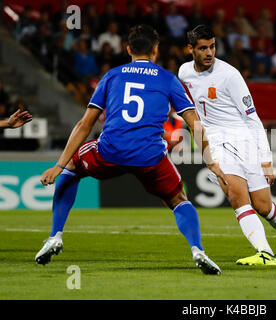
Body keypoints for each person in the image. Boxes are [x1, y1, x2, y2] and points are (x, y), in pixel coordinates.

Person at [36, 25, 226, 275]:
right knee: (179, 199)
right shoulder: (168, 78)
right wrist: (211, 162)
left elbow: (85, 124)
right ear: (156, 50)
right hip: (150, 157)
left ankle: (55, 236)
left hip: (110, 151)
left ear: (128, 49)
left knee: (73, 167)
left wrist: (59, 166)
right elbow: (195, 124)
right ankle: (198, 250)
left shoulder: (112, 76)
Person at [179, 25, 276, 266]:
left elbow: (252, 118)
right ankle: (265, 252)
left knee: (263, 207)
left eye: (212, 47)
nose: (209, 52)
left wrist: (266, 159)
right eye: (203, 48)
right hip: (217, 144)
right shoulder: (184, 73)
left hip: (245, 141)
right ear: (191, 49)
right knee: (237, 197)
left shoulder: (230, 75)